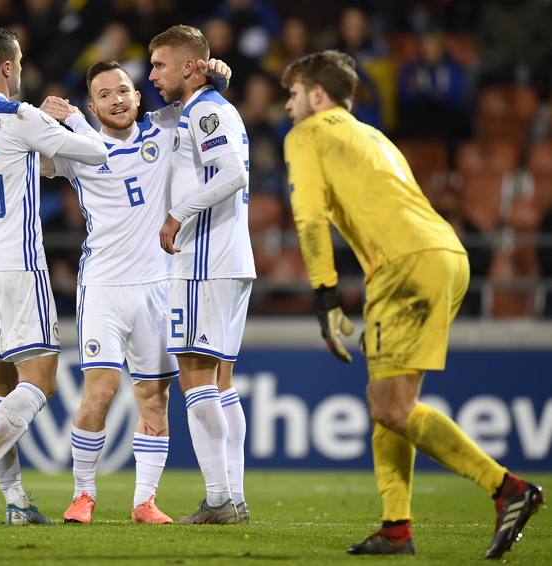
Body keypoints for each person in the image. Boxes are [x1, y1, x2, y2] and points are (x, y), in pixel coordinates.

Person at [280, 50, 544, 558]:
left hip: (403, 265)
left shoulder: (308, 134)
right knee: (388, 402)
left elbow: (309, 219)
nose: (287, 106)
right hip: (443, 254)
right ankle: (395, 528)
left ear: (317, 95)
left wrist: (325, 298)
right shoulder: (372, 135)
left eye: (293, 95)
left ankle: (508, 488)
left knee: (391, 406)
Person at [39, 57, 230, 524]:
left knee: (154, 398)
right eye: (104, 94)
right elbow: (38, 160)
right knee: (100, 393)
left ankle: (144, 501)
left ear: (138, 95)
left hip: (157, 286)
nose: (116, 100)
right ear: (92, 105)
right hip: (103, 286)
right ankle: (83, 494)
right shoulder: (78, 146)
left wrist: (220, 73)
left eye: (123, 90)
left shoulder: (165, 130)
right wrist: (44, 119)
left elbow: (204, 95)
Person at [0, 26, 107, 525]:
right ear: (6, 67)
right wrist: (67, 119)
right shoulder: (19, 116)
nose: (20, 71)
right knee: (40, 382)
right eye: (17, 63)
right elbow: (97, 154)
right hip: (17, 266)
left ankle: (16, 503)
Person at [151, 25, 255, 525]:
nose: (151, 75)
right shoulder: (209, 107)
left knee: (195, 378)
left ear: (189, 66)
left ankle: (218, 499)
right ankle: (232, 495)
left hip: (203, 261)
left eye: (159, 65)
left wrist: (179, 214)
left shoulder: (204, 109)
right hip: (231, 261)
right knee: (221, 381)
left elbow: (233, 173)